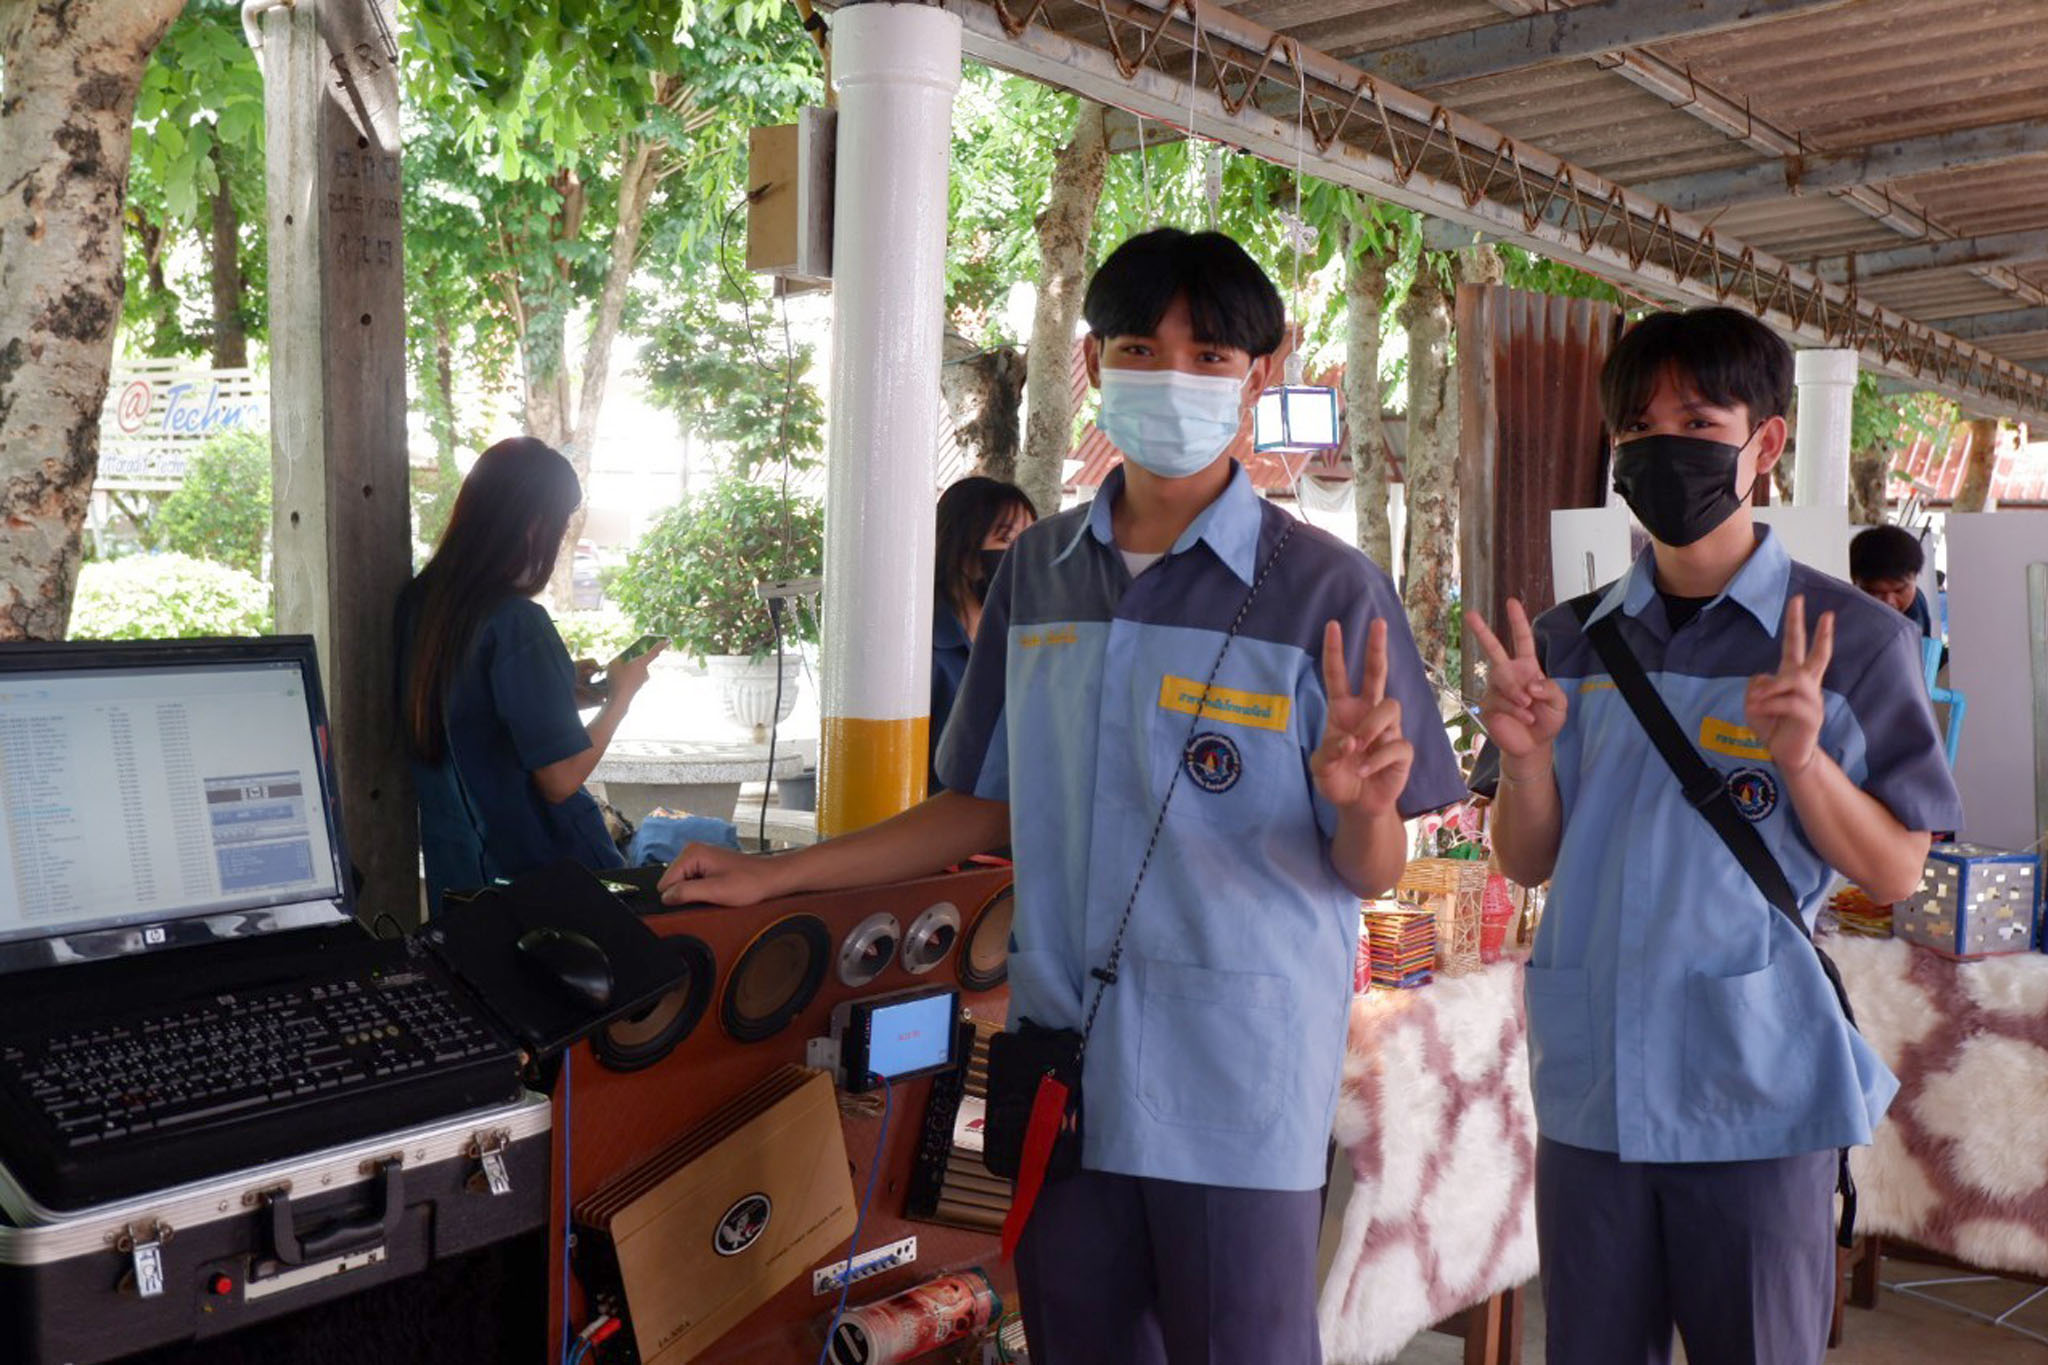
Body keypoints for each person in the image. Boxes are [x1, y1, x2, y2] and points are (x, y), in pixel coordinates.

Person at [661, 228, 1463, 1364]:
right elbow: (981, 805)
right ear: (1091, 366)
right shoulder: (1036, 572)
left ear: (1260, 376)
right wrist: (772, 873)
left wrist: (1362, 802)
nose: (1173, 378)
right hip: (1060, 1076)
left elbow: (1369, 869)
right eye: (1142, 348)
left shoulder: (1327, 590)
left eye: (1209, 357)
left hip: (1235, 1089)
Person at [1468, 308, 1961, 1365]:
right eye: (1637, 427)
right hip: (1593, 1080)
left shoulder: (1853, 642)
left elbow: (1894, 868)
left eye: (1696, 419)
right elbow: (1526, 857)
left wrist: (1802, 761)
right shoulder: (1565, 642)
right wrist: (1520, 758)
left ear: (1764, 443)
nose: (1662, 447)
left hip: (1754, 1084)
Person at [398, 436, 664, 913]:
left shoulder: (421, 606)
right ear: (534, 526)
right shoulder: (517, 623)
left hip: (460, 885)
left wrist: (565, 687)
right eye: (562, 527)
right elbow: (560, 780)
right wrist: (620, 696)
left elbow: (471, 713)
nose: (562, 541)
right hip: (548, 887)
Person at [931, 476, 1038, 792]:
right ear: (962, 546)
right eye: (1006, 541)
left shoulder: (1030, 640)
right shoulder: (924, 652)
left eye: (1029, 540)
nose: (1022, 554)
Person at [1850, 523, 1935, 637]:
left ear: (1915, 578)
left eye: (1899, 590)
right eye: (1875, 592)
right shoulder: (1842, 618)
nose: (1889, 601)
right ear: (1855, 582)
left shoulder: (1917, 603)